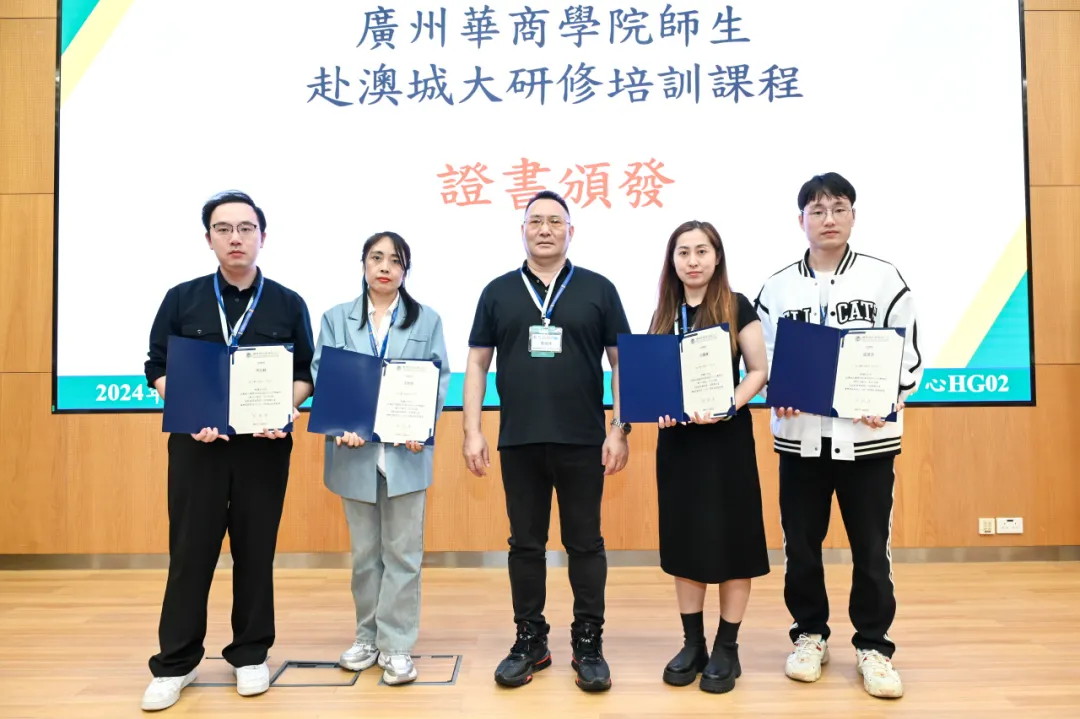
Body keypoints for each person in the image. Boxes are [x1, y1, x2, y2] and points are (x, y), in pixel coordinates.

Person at [140, 190, 315, 711]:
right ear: (209, 238)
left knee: (255, 552)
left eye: (245, 228)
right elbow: (156, 366)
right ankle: (176, 663)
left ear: (263, 236)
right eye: (223, 229)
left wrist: (283, 410)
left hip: (263, 449)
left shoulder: (287, 302)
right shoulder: (182, 298)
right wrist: (188, 408)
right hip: (197, 447)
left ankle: (250, 654)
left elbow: (306, 373)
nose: (235, 238)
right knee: (190, 553)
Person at [754, 172, 922, 699]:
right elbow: (764, 359)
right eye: (818, 210)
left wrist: (888, 395)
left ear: (853, 215)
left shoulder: (883, 279)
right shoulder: (777, 288)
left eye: (839, 208)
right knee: (801, 546)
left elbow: (908, 355)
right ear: (800, 219)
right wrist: (776, 389)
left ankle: (874, 646)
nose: (828, 219)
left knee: (871, 548)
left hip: (867, 441)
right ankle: (809, 636)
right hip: (800, 438)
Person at [462, 190, 632, 693]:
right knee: (525, 545)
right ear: (522, 231)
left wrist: (619, 428)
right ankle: (530, 639)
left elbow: (622, 362)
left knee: (585, 543)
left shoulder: (599, 289)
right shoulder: (497, 291)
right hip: (518, 440)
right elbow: (477, 363)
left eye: (555, 222)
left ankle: (588, 642)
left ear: (570, 232)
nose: (544, 229)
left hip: (583, 440)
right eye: (535, 221)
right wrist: (472, 430)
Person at [310, 231, 450, 686]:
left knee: (403, 555)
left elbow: (438, 379)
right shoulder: (336, 318)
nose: (385, 266)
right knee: (366, 556)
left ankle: (396, 645)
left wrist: (420, 426)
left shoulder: (427, 319)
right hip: (354, 455)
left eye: (395, 260)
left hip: (405, 455)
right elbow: (323, 374)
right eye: (376, 258)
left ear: (405, 271)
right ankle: (366, 637)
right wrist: (340, 424)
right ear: (364, 265)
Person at [649, 221, 770, 694]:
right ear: (672, 260)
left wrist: (727, 405)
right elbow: (654, 378)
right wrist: (658, 407)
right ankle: (693, 644)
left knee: (733, 543)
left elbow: (758, 371)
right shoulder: (663, 312)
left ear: (717, 257)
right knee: (686, 542)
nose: (693, 260)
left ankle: (727, 647)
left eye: (702, 251)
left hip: (726, 442)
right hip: (679, 445)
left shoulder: (737, 305)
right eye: (683, 252)